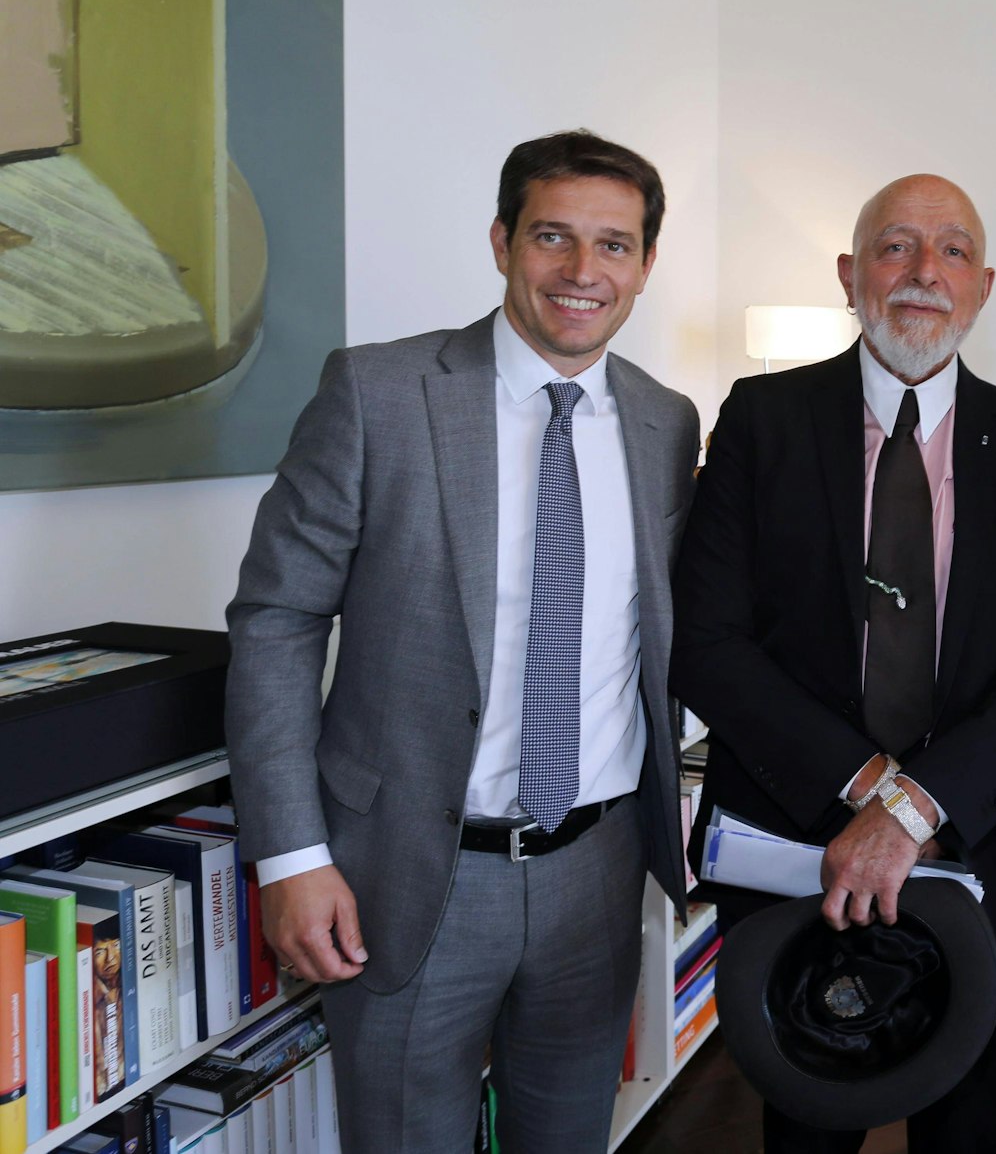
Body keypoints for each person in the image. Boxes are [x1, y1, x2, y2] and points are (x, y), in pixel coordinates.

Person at [225, 129, 699, 1152]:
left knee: (568, 1133)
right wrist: (291, 856)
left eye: (615, 245)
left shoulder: (668, 423)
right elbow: (276, 619)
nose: (583, 271)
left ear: (647, 265)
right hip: (411, 871)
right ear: (500, 241)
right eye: (553, 236)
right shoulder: (379, 392)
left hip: (600, 866)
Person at [672, 174, 996, 1153]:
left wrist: (917, 806)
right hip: (796, 854)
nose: (922, 272)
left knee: (974, 1130)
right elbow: (708, 640)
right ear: (849, 272)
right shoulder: (760, 417)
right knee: (807, 1129)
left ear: (983, 286)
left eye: (951, 251)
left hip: (975, 859)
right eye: (896, 245)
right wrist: (868, 788)